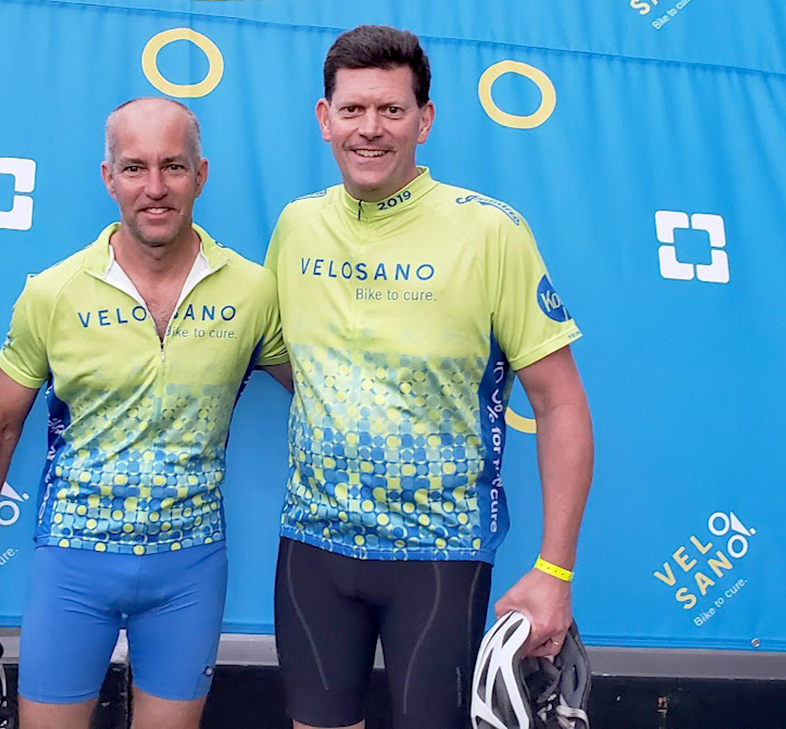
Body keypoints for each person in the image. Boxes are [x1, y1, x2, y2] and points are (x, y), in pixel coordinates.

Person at [0, 96, 290, 729]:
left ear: (201, 175)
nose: (155, 188)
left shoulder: (254, 291)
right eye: (135, 167)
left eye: (173, 167)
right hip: (73, 566)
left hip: (191, 568)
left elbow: (322, 392)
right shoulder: (53, 291)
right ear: (108, 177)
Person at [266, 25, 594, 729]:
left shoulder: (491, 232)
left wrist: (556, 572)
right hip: (312, 548)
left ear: (426, 119)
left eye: (391, 109)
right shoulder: (295, 225)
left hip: (439, 553)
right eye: (352, 110)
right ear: (324, 119)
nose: (371, 129)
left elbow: (561, 402)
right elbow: (299, 361)